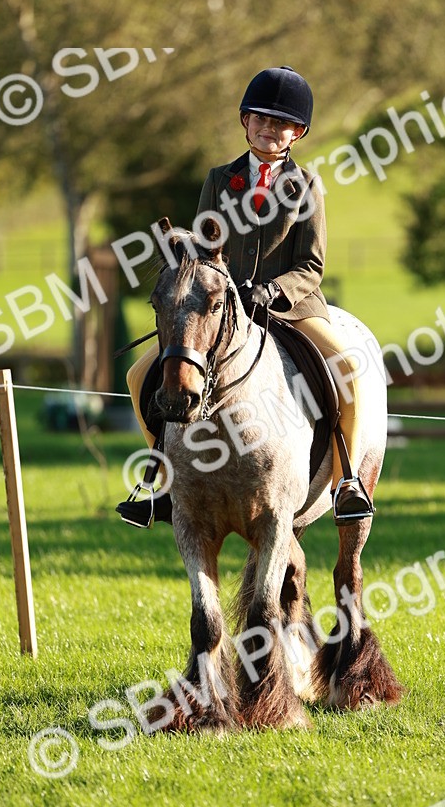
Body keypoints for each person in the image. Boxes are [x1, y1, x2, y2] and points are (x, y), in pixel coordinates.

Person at [118, 65, 374, 528]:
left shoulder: (307, 186)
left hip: (291, 308)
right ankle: (163, 480)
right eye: (260, 118)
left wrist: (273, 291)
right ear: (245, 121)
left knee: (348, 370)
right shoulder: (219, 179)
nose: (268, 128)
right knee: (140, 376)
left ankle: (346, 481)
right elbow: (202, 252)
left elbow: (311, 265)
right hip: (220, 309)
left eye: (280, 123)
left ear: (297, 133)